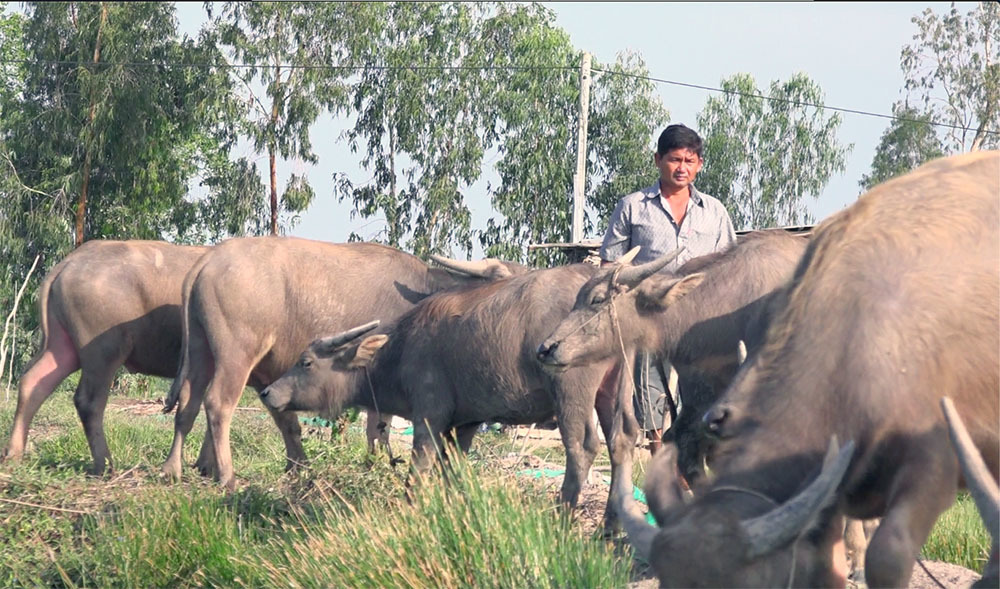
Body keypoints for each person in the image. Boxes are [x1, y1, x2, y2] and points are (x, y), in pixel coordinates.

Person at [599, 123, 736, 450]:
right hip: (651, 316)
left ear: (700, 164)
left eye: (690, 161)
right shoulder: (633, 207)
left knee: (701, 391)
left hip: (701, 319)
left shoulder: (714, 211)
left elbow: (731, 266)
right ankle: (661, 455)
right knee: (651, 389)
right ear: (658, 159)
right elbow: (610, 265)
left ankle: (696, 454)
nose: (682, 168)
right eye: (675, 160)